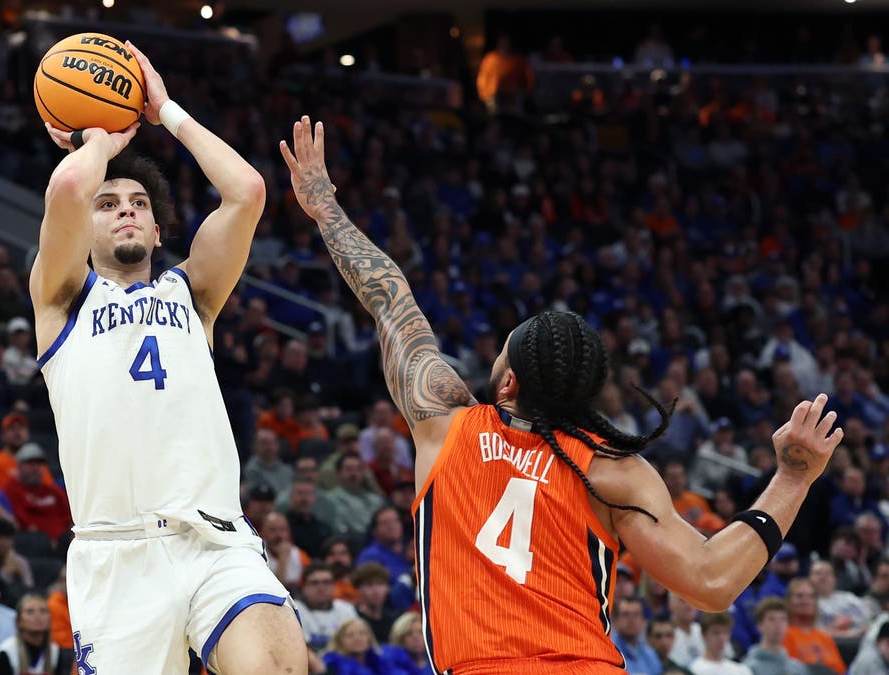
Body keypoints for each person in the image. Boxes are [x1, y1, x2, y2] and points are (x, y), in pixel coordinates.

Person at [280, 116, 845, 673]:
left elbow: (388, 296)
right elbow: (712, 582)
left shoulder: (445, 424)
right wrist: (793, 477)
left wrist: (324, 205)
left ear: (508, 382)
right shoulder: (612, 469)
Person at [33, 41, 301, 673]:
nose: (125, 208)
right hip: (116, 555)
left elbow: (247, 191)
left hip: (214, 539)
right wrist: (98, 138)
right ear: (84, 230)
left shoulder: (194, 294)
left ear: (157, 231)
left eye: (139, 205)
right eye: (109, 205)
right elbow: (72, 184)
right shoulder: (61, 297)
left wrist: (165, 110)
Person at [0, 594, 72, 675]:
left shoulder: (54, 650)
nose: (38, 616)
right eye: (30, 612)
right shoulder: (7, 650)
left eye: (43, 611)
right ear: (19, 620)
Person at [743, 598, 808, 675]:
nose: (778, 625)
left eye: (783, 619)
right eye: (771, 619)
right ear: (759, 625)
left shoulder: (797, 667)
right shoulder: (748, 667)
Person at [687, 612, 752, 675]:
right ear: (704, 635)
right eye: (716, 633)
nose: (721, 638)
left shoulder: (741, 670)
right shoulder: (692, 669)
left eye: (725, 632)